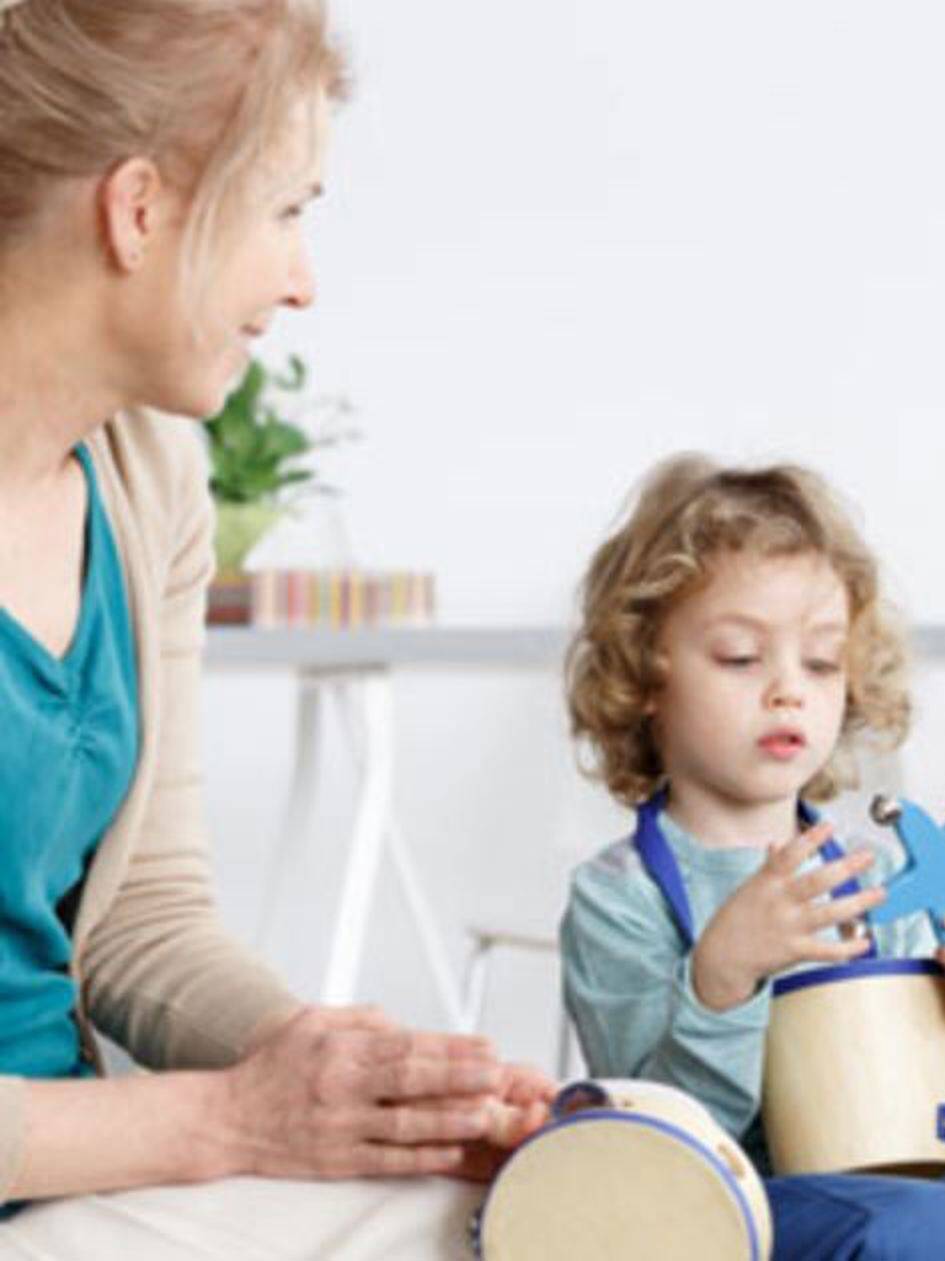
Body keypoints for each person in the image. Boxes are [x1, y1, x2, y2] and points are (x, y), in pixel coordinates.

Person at [0, 0, 551, 1251]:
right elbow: (213, 1126)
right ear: (139, 209)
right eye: (288, 210)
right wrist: (229, 1123)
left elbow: (145, 913)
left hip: (72, 1187)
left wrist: (349, 1080)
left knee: (503, 1214)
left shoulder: (148, 474)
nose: (303, 281)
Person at [560, 453, 945, 1260]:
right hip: (726, 1214)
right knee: (919, 1223)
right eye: (739, 656)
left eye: (822, 662)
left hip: (901, 1183)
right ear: (645, 676)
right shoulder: (619, 898)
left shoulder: (872, 876)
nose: (789, 689)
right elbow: (660, 1150)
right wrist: (720, 979)